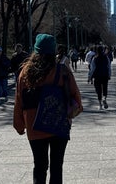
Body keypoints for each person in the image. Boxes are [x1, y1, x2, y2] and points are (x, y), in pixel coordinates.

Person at [14, 33, 83, 184]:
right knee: (57, 167)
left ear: (35, 51)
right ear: (53, 52)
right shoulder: (62, 71)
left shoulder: (25, 73)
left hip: (34, 125)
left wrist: (19, 125)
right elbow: (77, 99)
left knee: (39, 166)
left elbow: (19, 100)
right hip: (58, 124)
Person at [88, 45, 111, 110]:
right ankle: (104, 98)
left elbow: (92, 69)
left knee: (98, 90)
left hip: (97, 76)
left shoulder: (95, 58)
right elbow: (109, 67)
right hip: (105, 75)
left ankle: (100, 105)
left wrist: (90, 77)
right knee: (105, 88)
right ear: (103, 50)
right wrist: (109, 75)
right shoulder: (106, 57)